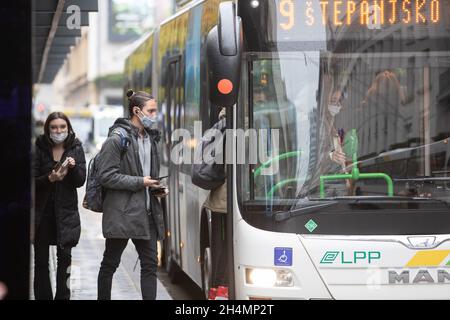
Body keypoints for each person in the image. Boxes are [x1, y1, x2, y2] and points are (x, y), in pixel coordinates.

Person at [97, 89, 168, 300]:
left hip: (147, 213)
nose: (155, 115)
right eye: (151, 111)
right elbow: (106, 176)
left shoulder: (152, 138)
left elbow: (147, 175)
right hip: (123, 213)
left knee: (150, 266)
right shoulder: (117, 139)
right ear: (137, 111)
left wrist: (155, 187)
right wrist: (141, 182)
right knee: (110, 263)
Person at [33, 111, 86, 300]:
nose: (58, 131)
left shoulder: (76, 147)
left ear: (68, 128)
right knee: (40, 261)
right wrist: (49, 178)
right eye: (54, 127)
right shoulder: (39, 147)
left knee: (64, 259)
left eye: (62, 127)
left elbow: (80, 180)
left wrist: (72, 169)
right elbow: (31, 180)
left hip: (65, 214)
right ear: (48, 129)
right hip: (42, 213)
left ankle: (63, 297)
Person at [202, 107, 228, 292]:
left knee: (220, 248)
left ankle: (218, 289)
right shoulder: (230, 128)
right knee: (224, 249)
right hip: (226, 200)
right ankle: (221, 289)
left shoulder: (217, 127)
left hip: (219, 200)